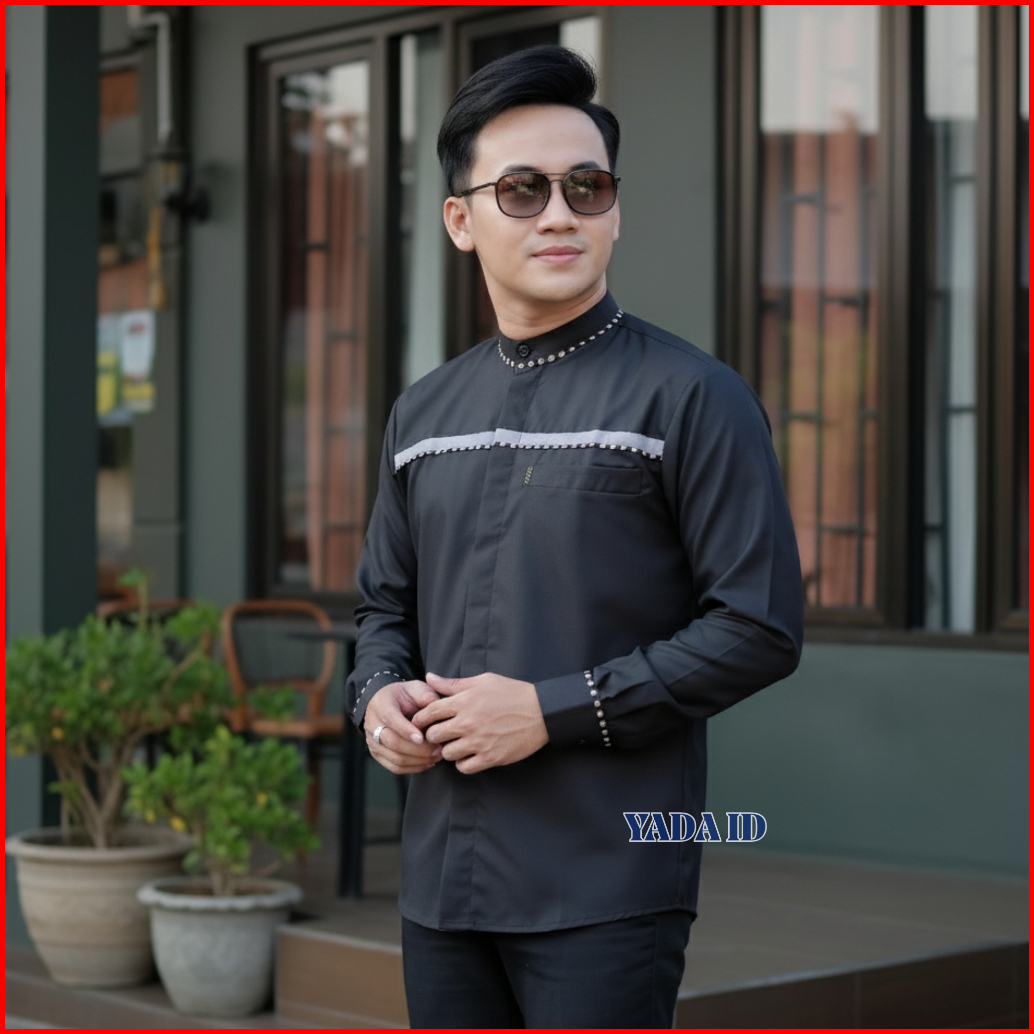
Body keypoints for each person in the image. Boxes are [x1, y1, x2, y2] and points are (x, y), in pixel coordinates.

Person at [345, 44, 804, 1029]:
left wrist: (549, 710)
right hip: (440, 879)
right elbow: (383, 605)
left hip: (608, 877)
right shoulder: (423, 413)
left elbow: (758, 625)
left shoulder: (693, 396)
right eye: (522, 190)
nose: (560, 213)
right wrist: (378, 695)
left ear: (615, 211)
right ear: (460, 220)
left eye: (585, 187)